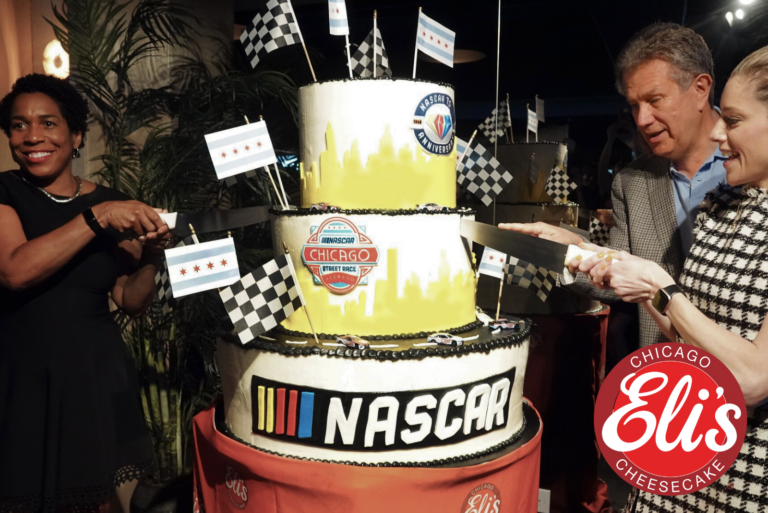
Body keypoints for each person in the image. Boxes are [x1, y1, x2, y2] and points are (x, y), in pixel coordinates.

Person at [577, 45, 768, 512]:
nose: (722, 130)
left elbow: (751, 380)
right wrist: (583, 254)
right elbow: (683, 332)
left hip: (744, 463)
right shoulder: (723, 206)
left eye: (737, 120)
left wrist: (660, 287)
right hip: (679, 442)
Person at [0, 74, 171, 512]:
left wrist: (153, 254)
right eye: (18, 125)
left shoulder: (110, 202)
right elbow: (16, 270)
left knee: (96, 502)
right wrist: (96, 218)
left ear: (75, 135)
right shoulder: (5, 192)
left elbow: (129, 299)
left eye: (47, 123)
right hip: (23, 379)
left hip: (94, 376)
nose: (32, 136)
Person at [500, 22, 727, 348]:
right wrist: (566, 251)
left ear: (701, 88)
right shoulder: (632, 183)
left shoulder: (752, 162)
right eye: (635, 105)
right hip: (670, 375)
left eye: (655, 99)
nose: (642, 119)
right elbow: (616, 276)